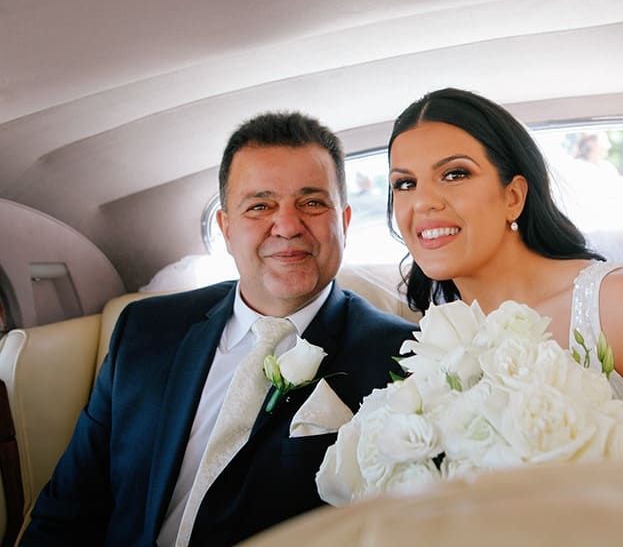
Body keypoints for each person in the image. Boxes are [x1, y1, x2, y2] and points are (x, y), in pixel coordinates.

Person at [23, 112, 417, 545]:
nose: (287, 226)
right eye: (259, 206)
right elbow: (68, 509)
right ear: (226, 229)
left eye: (311, 203)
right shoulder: (145, 330)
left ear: (343, 221)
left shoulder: (401, 360)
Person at [386, 88, 623, 442]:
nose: (423, 202)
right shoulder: (434, 342)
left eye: (455, 174)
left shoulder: (618, 305)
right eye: (405, 184)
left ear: (513, 196)